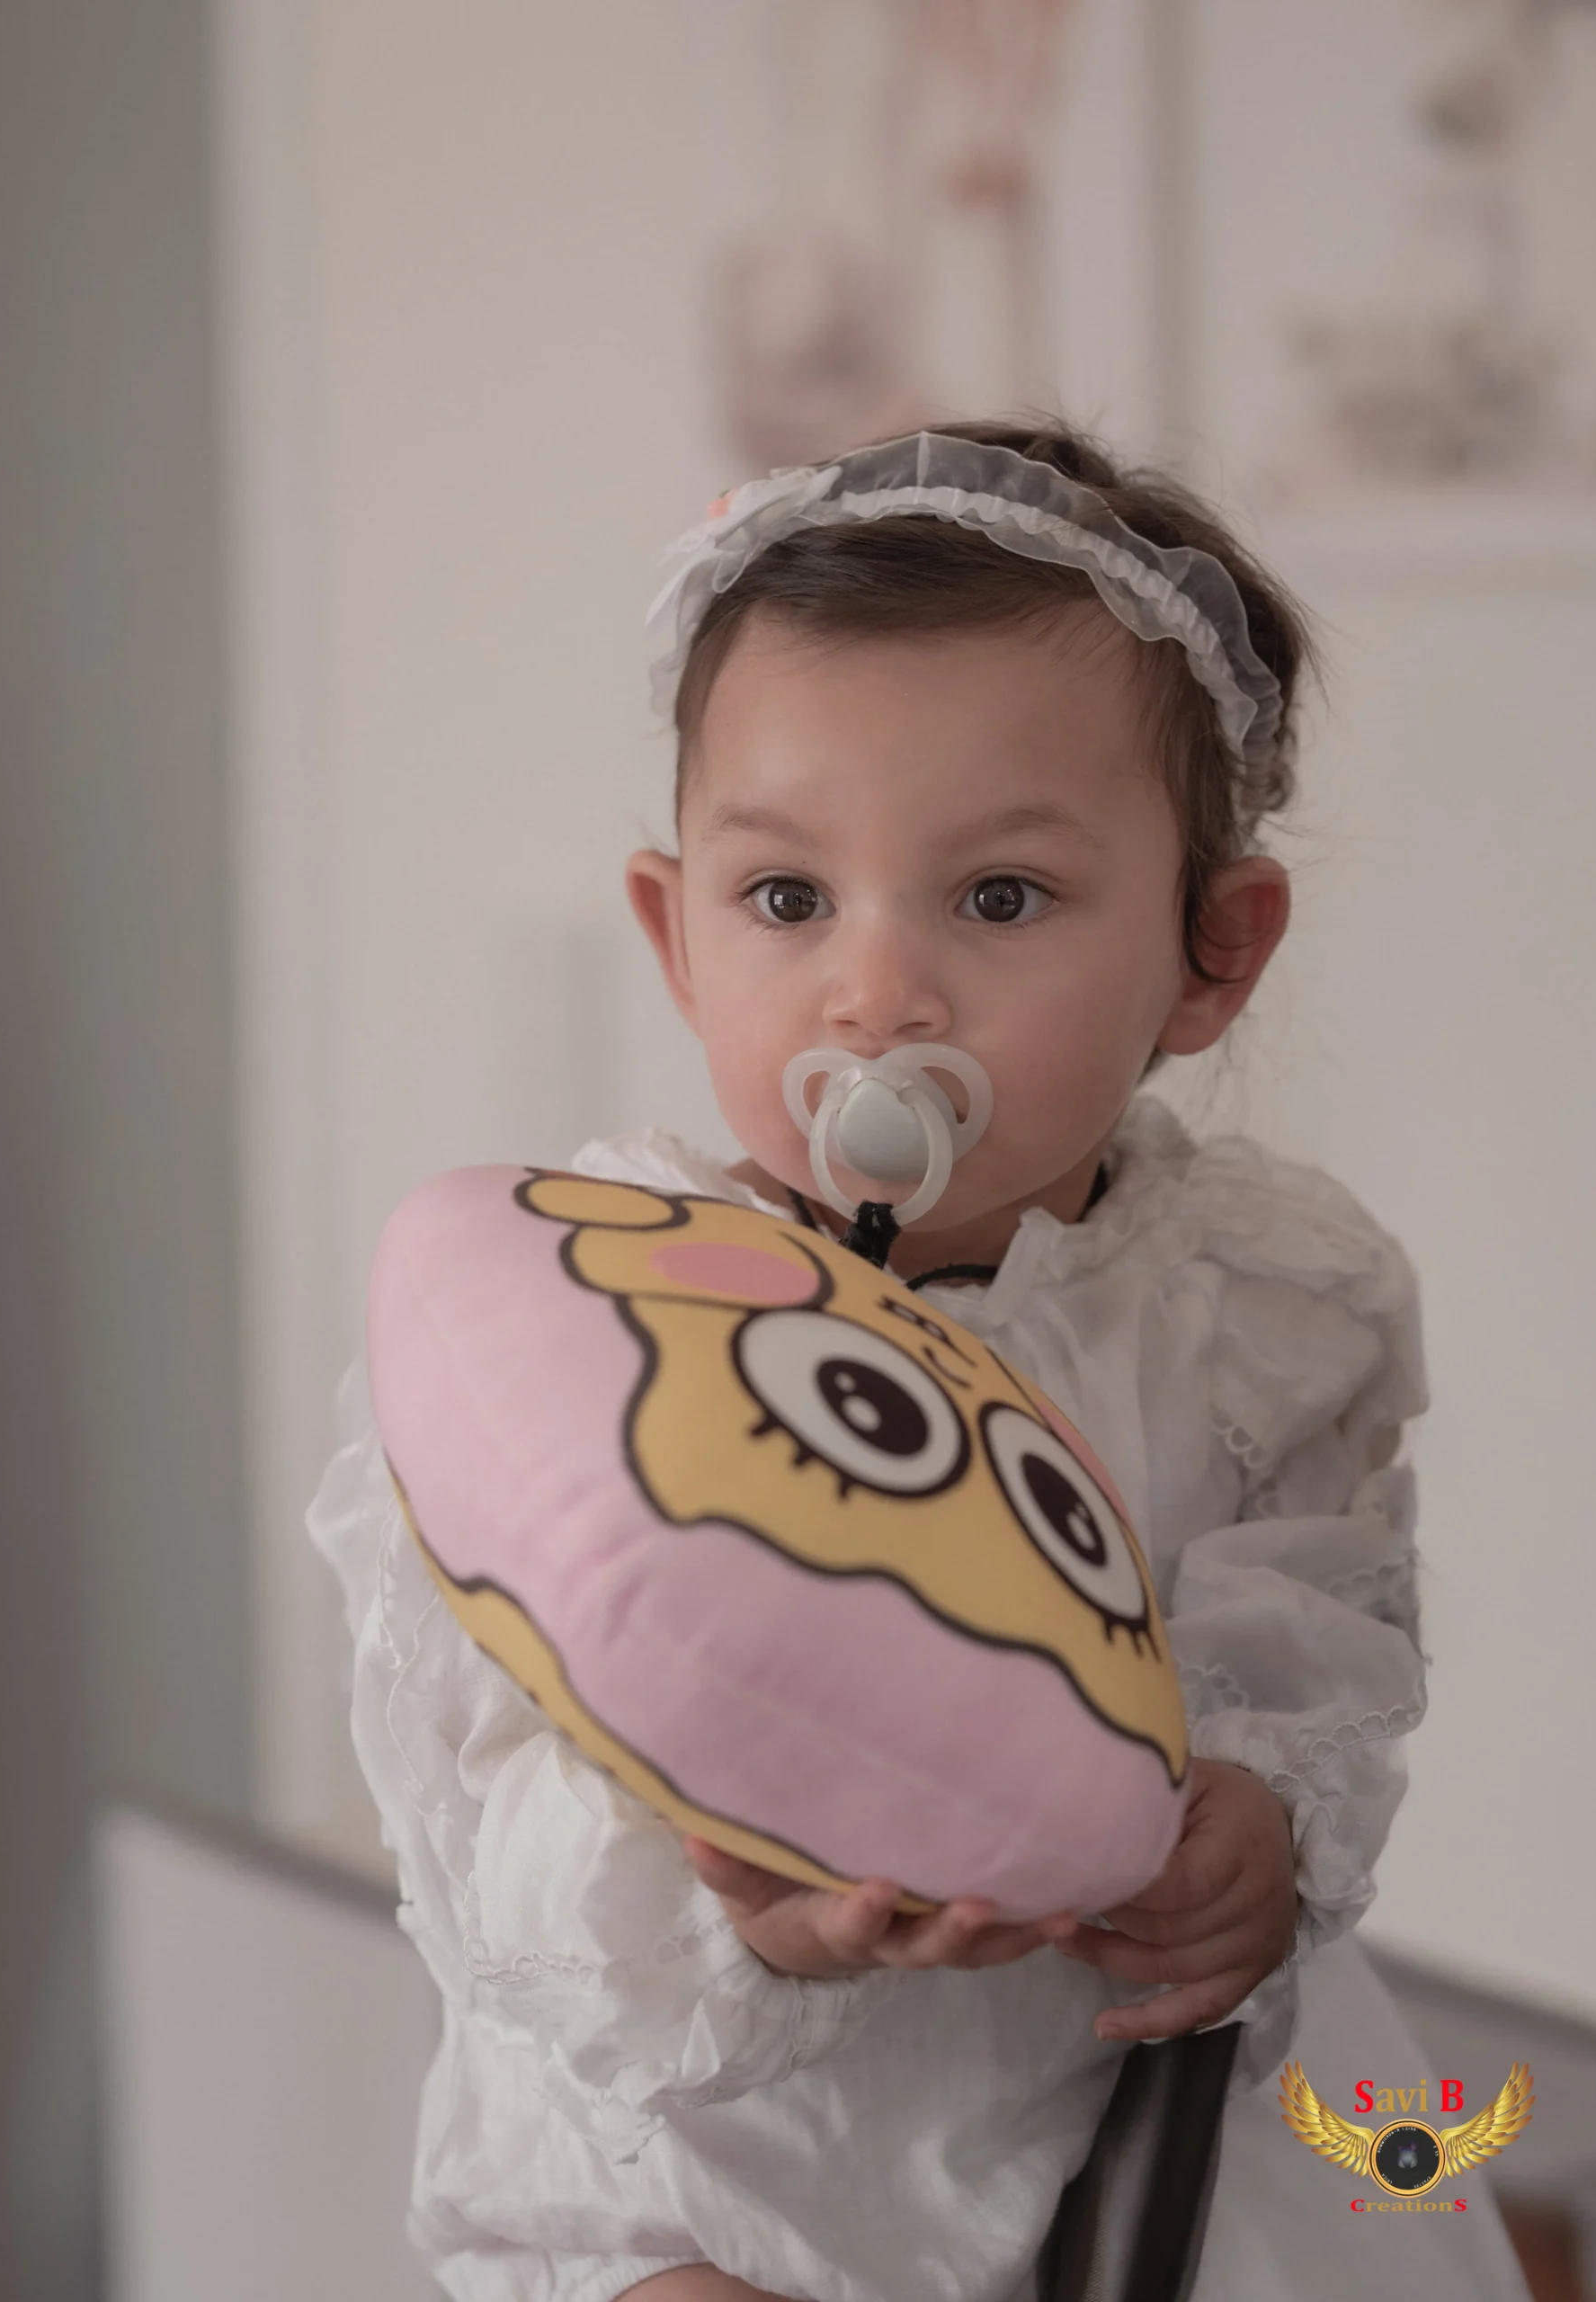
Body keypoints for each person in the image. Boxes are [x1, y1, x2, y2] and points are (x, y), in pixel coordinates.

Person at [310, 423, 1529, 2302]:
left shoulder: (1260, 1302)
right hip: (709, 2165)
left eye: (999, 897)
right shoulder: (601, 1314)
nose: (875, 994)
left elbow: (1313, 1632)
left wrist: (1256, 1823)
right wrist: (737, 1910)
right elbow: (489, 1809)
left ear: (1210, 952)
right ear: (675, 934)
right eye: (787, 899)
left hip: (1134, 2124)